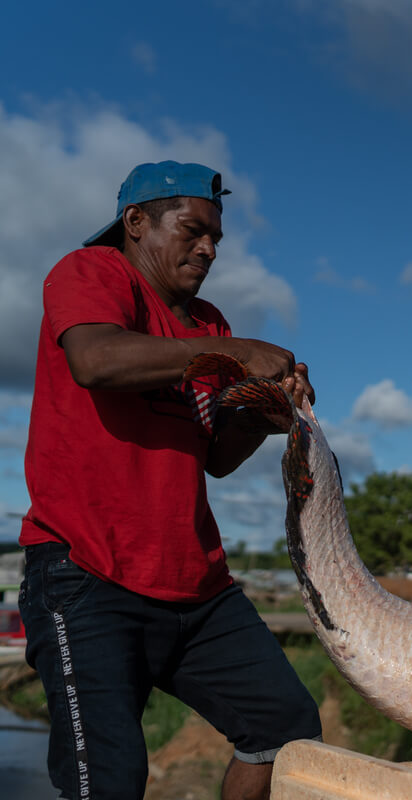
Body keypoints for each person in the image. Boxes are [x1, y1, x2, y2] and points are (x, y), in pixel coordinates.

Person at [18, 161, 322, 800]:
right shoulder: (91, 272)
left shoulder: (207, 322)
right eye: (192, 230)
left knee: (285, 731)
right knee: (109, 781)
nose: (208, 247)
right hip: (87, 575)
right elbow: (96, 360)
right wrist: (239, 352)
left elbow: (215, 457)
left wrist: (262, 419)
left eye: (215, 237)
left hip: (197, 587)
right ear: (136, 223)